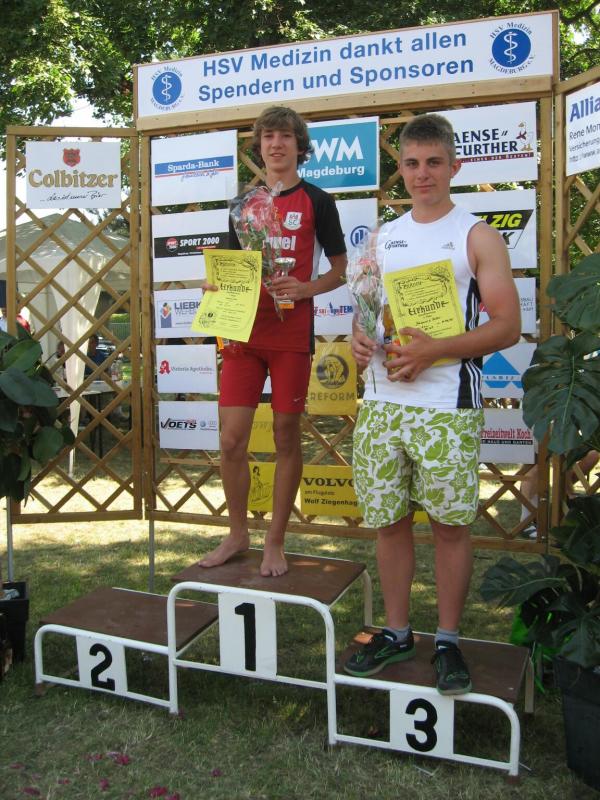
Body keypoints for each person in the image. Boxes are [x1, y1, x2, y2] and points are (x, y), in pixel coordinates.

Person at [344, 113, 521, 695]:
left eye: (434, 163)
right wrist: (358, 338)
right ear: (400, 168)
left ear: (454, 167)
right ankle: (397, 633)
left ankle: (447, 640)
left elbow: (508, 326)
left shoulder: (477, 236)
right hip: (381, 404)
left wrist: (436, 350)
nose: (423, 174)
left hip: (446, 406)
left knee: (449, 528)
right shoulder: (382, 238)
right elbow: (366, 314)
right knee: (389, 524)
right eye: (412, 163)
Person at [199, 105, 347, 577]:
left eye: (285, 136)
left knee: (285, 436)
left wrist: (306, 289)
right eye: (268, 137)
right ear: (259, 146)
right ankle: (237, 533)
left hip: (290, 336)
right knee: (230, 440)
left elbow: (341, 268)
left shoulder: (318, 200)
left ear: (300, 146)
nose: (276, 144)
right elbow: (230, 267)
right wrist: (215, 287)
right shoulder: (241, 205)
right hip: (244, 334)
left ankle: (276, 541)